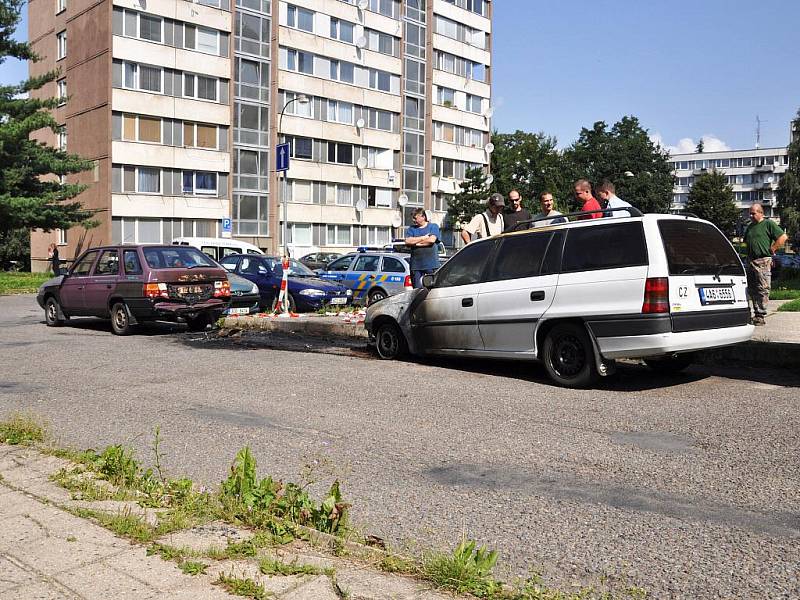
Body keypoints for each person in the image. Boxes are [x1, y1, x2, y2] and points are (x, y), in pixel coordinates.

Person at [743, 203, 788, 326]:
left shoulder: (768, 224)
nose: (751, 216)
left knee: (763, 288)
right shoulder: (750, 227)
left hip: (763, 261)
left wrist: (773, 248)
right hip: (751, 260)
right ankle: (755, 312)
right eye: (750, 213)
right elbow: (746, 242)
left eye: (754, 213)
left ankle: (761, 315)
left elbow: (783, 237)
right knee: (752, 289)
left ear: (761, 213)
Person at [404, 208, 441, 288]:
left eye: (415, 218)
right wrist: (423, 237)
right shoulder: (412, 229)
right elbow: (407, 241)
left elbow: (431, 240)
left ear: (423, 217)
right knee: (418, 291)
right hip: (416, 267)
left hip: (431, 266)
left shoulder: (433, 226)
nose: (413, 220)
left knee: (431, 290)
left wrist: (415, 243)